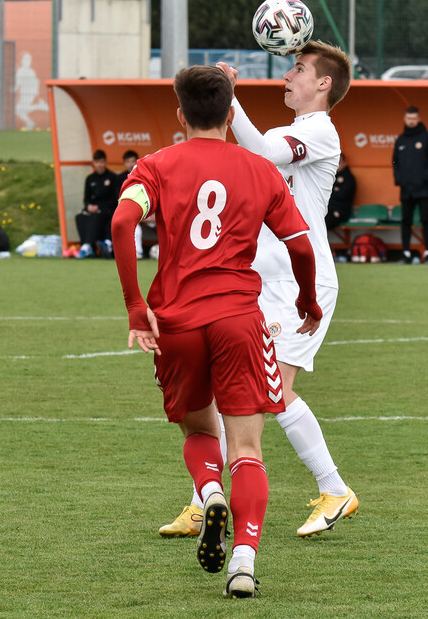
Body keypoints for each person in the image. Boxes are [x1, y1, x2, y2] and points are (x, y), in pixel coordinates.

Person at [111, 65, 322, 598]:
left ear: (180, 115)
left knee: (200, 433)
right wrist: (308, 300)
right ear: (231, 114)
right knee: (246, 449)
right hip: (238, 320)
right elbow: (300, 243)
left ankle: (209, 494)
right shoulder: (260, 170)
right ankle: (244, 565)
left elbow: (119, 223)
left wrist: (137, 305)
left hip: (176, 322)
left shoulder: (155, 165)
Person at [159, 40, 358, 540]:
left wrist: (229, 98)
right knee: (237, 393)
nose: (287, 76)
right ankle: (205, 501)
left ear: (323, 84)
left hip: (301, 281)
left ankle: (335, 490)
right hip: (264, 282)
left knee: (273, 393)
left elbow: (264, 154)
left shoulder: (321, 132)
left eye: (298, 68)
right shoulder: (284, 132)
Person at [391, 106, 428, 264]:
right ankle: (406, 253)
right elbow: (395, 162)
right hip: (406, 189)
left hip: (424, 189)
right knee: (406, 221)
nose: (411, 121)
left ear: (418, 119)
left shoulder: (427, 138)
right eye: (408, 118)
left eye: (414, 118)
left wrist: (425, 176)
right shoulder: (401, 140)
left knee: (426, 220)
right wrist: (399, 179)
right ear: (404, 119)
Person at [74, 149, 117, 259]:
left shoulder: (112, 177)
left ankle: (88, 246)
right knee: (80, 217)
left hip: (107, 208)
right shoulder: (90, 179)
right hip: (93, 208)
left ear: (105, 162)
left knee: (97, 216)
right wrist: (88, 206)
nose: (100, 165)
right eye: (97, 162)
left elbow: (115, 199)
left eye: (102, 162)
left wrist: (99, 207)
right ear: (94, 163)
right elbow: (86, 198)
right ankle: (86, 245)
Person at [115, 150, 145, 259]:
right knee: (134, 227)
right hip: (130, 212)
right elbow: (118, 200)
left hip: (148, 211)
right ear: (124, 163)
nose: (131, 164)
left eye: (133, 161)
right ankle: (137, 252)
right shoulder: (119, 179)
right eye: (128, 161)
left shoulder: (145, 176)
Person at [324, 153, 356, 231]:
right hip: (326, 209)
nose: (336, 165)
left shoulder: (349, 178)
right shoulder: (330, 176)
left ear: (344, 163)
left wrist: (331, 191)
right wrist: (334, 190)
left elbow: (342, 195)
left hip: (340, 211)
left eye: (339, 162)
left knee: (323, 226)